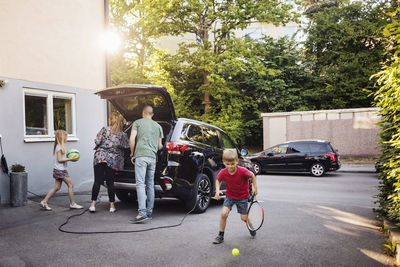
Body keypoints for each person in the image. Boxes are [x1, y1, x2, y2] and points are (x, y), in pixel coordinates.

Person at [212, 149, 258, 244]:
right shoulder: (223, 172)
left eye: (232, 164)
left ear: (237, 161)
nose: (230, 166)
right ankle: (220, 235)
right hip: (230, 196)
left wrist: (254, 187)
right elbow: (218, 180)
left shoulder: (242, 171)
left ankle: (250, 225)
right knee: (223, 214)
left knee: (243, 218)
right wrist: (217, 191)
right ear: (224, 162)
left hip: (242, 197)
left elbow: (252, 175)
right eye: (227, 164)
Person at [129, 105, 163, 223]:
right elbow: (160, 146)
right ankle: (149, 212)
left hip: (141, 156)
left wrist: (132, 154)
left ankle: (142, 213)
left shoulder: (137, 122)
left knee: (140, 184)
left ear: (143, 113)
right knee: (150, 184)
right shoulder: (158, 126)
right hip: (152, 158)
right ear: (152, 114)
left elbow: (132, 139)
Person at [89, 113, 129, 213]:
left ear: (110, 120)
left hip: (100, 157)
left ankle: (93, 205)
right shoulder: (122, 134)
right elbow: (126, 146)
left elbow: (97, 141)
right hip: (112, 159)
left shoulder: (104, 129)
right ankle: (112, 206)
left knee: (97, 181)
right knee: (110, 182)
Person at [40, 130, 83, 211]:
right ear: (62, 137)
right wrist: (70, 158)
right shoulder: (59, 147)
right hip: (60, 170)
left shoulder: (60, 147)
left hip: (58, 169)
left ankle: (44, 201)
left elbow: (63, 156)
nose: (67, 138)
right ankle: (72, 204)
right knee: (70, 185)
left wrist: (70, 153)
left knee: (57, 187)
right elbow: (59, 159)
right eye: (66, 136)